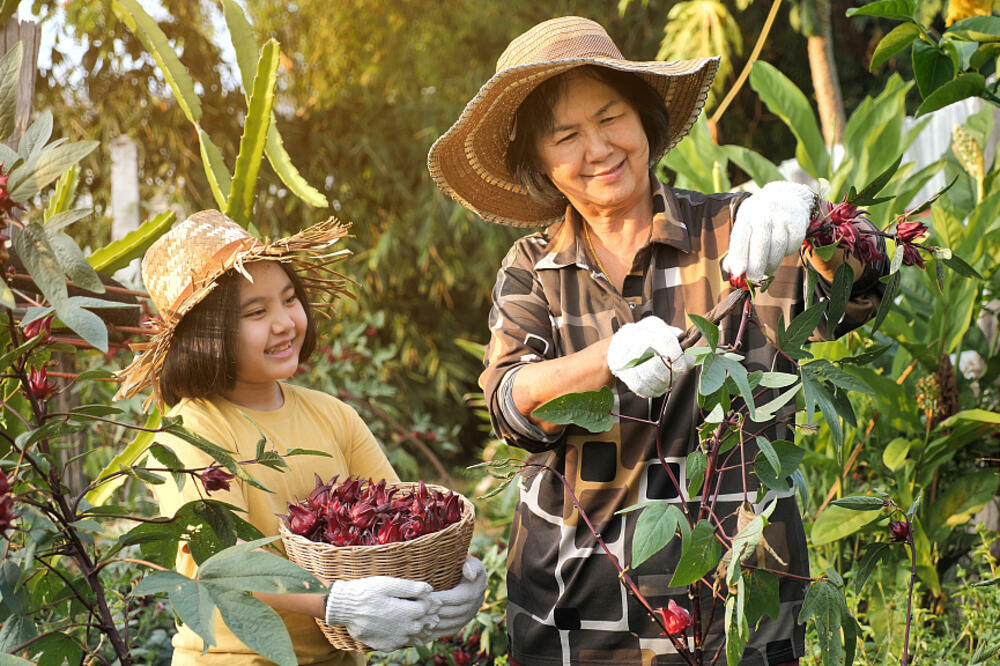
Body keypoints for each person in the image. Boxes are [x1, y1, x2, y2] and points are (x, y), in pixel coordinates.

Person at [428, 16, 887, 666]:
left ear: (644, 119)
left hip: (736, 612)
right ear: (539, 161)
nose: (598, 148)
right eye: (566, 136)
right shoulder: (532, 268)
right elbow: (509, 402)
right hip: (575, 615)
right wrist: (602, 361)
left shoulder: (732, 230)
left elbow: (862, 289)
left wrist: (811, 216)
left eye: (611, 117)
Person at [115, 210, 487, 665]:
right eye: (257, 312)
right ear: (207, 335)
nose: (285, 323)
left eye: (289, 300)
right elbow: (223, 564)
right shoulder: (189, 431)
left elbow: (402, 519)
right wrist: (334, 604)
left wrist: (451, 573)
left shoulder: (334, 416)